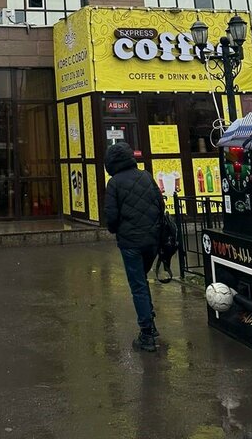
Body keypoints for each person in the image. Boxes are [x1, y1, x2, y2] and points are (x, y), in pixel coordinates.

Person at [104, 140, 165, 352]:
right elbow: (160, 205)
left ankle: (146, 334)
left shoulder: (114, 183)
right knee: (142, 280)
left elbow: (111, 217)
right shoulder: (145, 176)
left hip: (130, 242)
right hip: (152, 240)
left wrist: (117, 230)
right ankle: (151, 322)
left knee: (138, 284)